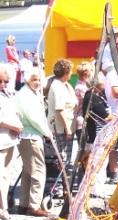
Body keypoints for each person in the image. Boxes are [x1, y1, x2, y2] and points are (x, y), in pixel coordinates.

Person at [15, 67, 52, 217]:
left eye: (39, 80)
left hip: (28, 136)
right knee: (38, 171)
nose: (37, 82)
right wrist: (47, 132)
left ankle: (24, 204)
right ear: (28, 80)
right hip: (30, 136)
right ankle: (34, 205)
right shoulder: (25, 95)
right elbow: (34, 118)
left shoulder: (30, 94)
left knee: (28, 171)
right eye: (34, 79)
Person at [47, 59, 77, 189]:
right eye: (70, 71)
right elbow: (60, 109)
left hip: (69, 126)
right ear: (66, 72)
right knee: (62, 158)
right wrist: (67, 129)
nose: (71, 73)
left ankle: (66, 185)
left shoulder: (66, 85)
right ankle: (59, 187)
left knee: (67, 159)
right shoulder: (57, 86)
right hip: (61, 128)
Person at [0, 63, 23, 220]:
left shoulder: (7, 94)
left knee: (6, 175)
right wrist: (13, 126)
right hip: (2, 139)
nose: (3, 84)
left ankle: (3, 206)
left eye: (5, 81)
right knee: (1, 175)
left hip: (10, 140)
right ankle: (3, 209)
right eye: (0, 81)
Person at [74, 61, 92, 143]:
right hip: (81, 120)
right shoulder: (81, 88)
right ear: (86, 74)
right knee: (84, 149)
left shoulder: (84, 86)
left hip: (83, 120)